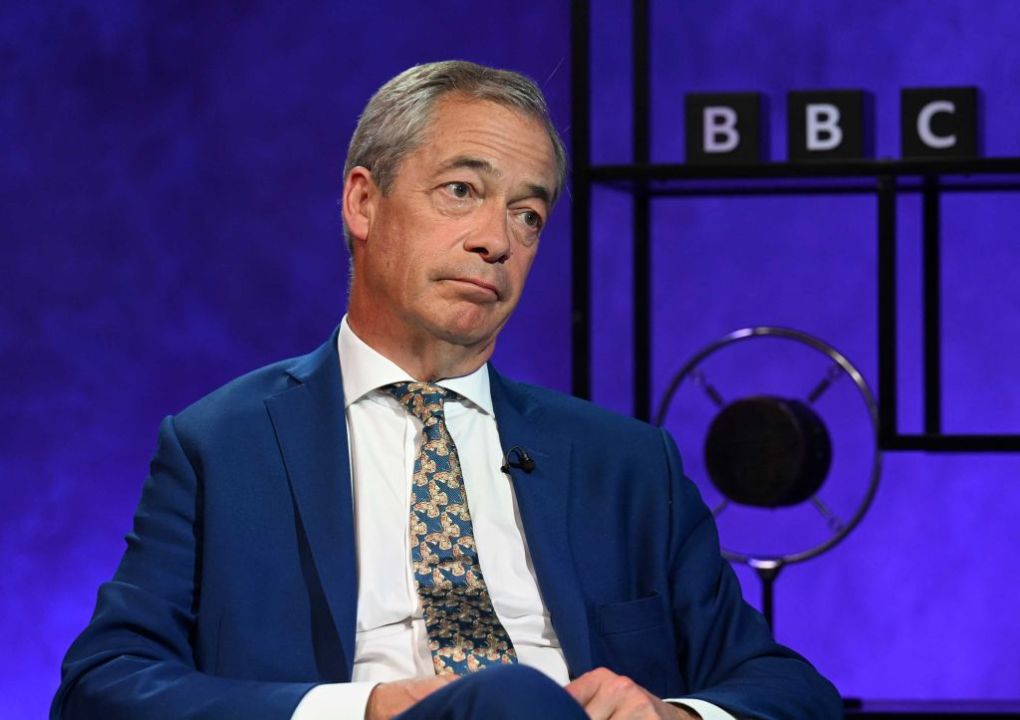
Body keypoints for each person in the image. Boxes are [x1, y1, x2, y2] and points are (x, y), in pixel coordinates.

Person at [52, 61, 843, 720]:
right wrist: (359, 710)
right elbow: (102, 686)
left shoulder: (629, 465)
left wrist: (675, 716)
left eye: (527, 215)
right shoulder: (221, 446)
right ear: (363, 202)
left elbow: (791, 690)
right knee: (509, 698)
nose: (496, 240)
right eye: (462, 190)